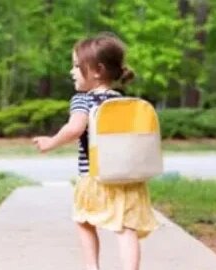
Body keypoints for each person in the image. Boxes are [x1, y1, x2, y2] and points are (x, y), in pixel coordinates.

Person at [32, 32, 158, 270]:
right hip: (126, 178)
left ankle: (92, 268)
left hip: (95, 177)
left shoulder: (83, 100)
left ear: (97, 70)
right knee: (124, 227)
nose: (71, 71)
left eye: (76, 66)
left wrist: (50, 142)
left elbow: (75, 128)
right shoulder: (122, 100)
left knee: (84, 222)